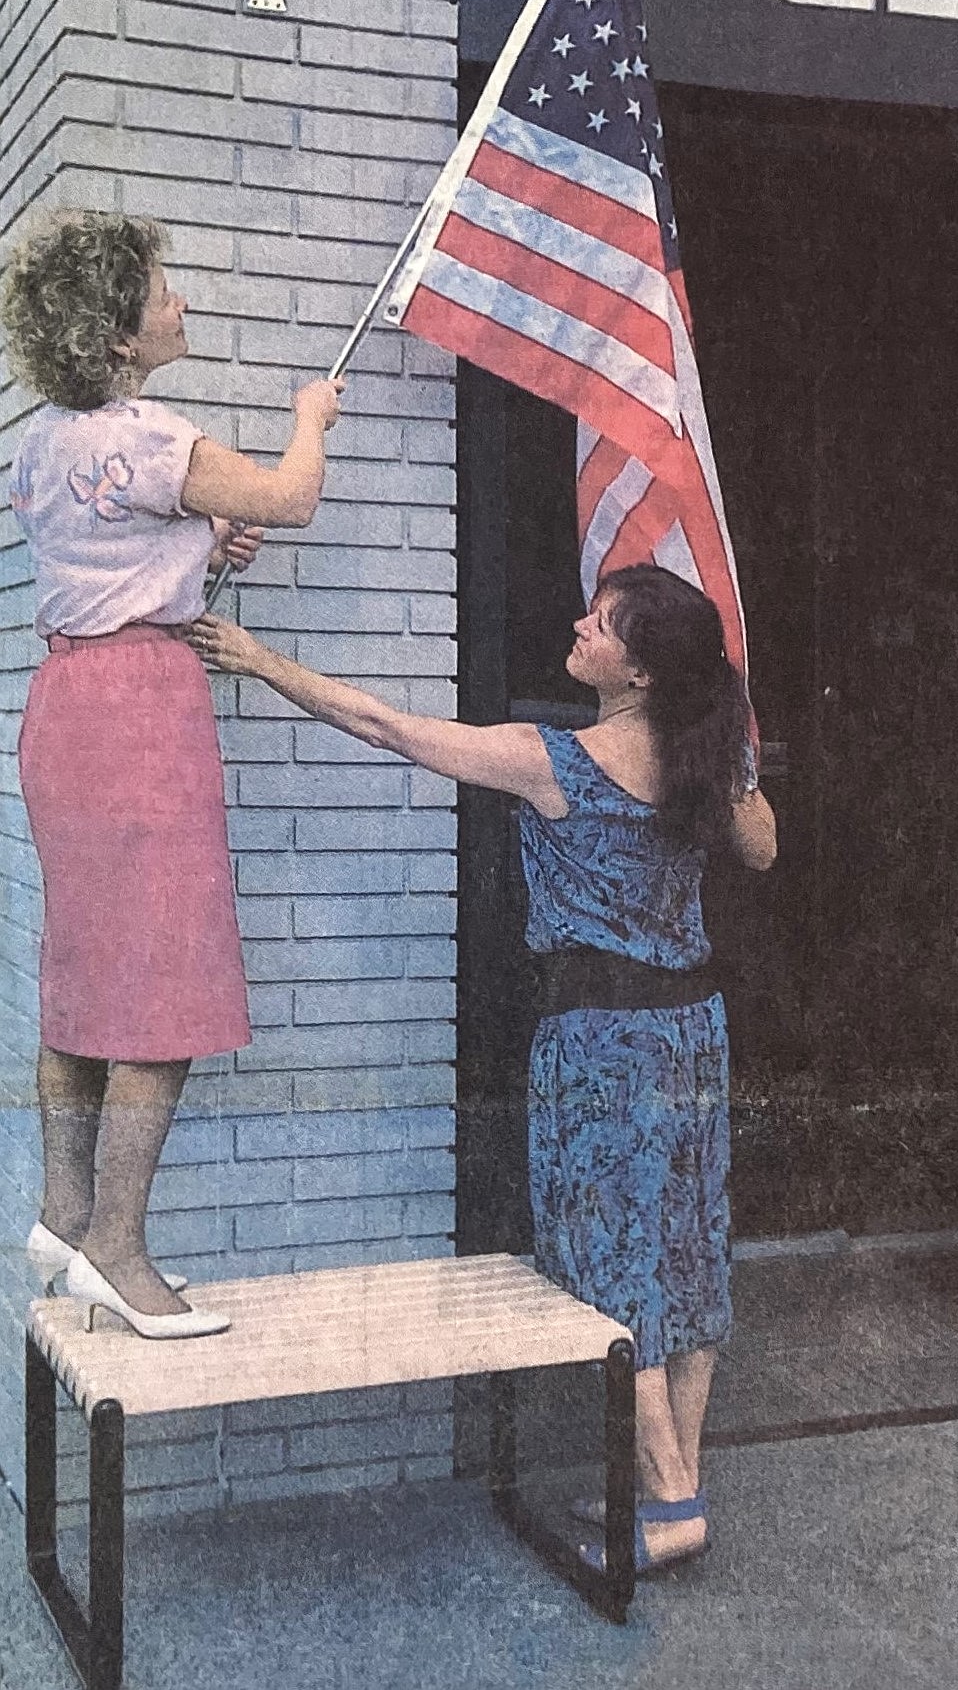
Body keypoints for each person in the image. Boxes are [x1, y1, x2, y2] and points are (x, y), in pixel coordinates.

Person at [192, 561, 777, 1569]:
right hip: (693, 1029)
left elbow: (383, 725)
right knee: (686, 1249)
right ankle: (671, 1485)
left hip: (602, 1038)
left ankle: (675, 1504)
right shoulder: (704, 765)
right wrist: (733, 755)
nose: (578, 630)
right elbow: (762, 851)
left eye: (599, 626)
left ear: (636, 672)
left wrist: (254, 656)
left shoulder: (555, 759)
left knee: (612, 1261)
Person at [2, 210, 345, 1339]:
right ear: (115, 335)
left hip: (62, 711)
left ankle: (60, 1211)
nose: (181, 304)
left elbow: (110, 548)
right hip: (143, 712)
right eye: (162, 290)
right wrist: (309, 420)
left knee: (85, 967)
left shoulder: (40, 438)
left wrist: (196, 544)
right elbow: (293, 497)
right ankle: (118, 1245)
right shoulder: (153, 436)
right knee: (165, 989)